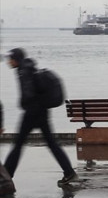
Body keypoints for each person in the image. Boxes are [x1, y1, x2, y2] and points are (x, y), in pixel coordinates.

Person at [4, 49, 77, 185]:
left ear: (16, 59)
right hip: (41, 111)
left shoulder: (23, 71)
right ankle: (69, 172)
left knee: (18, 144)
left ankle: (6, 178)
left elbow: (28, 93)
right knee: (51, 143)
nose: (8, 61)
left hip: (32, 112)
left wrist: (23, 104)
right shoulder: (29, 68)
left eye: (10, 59)